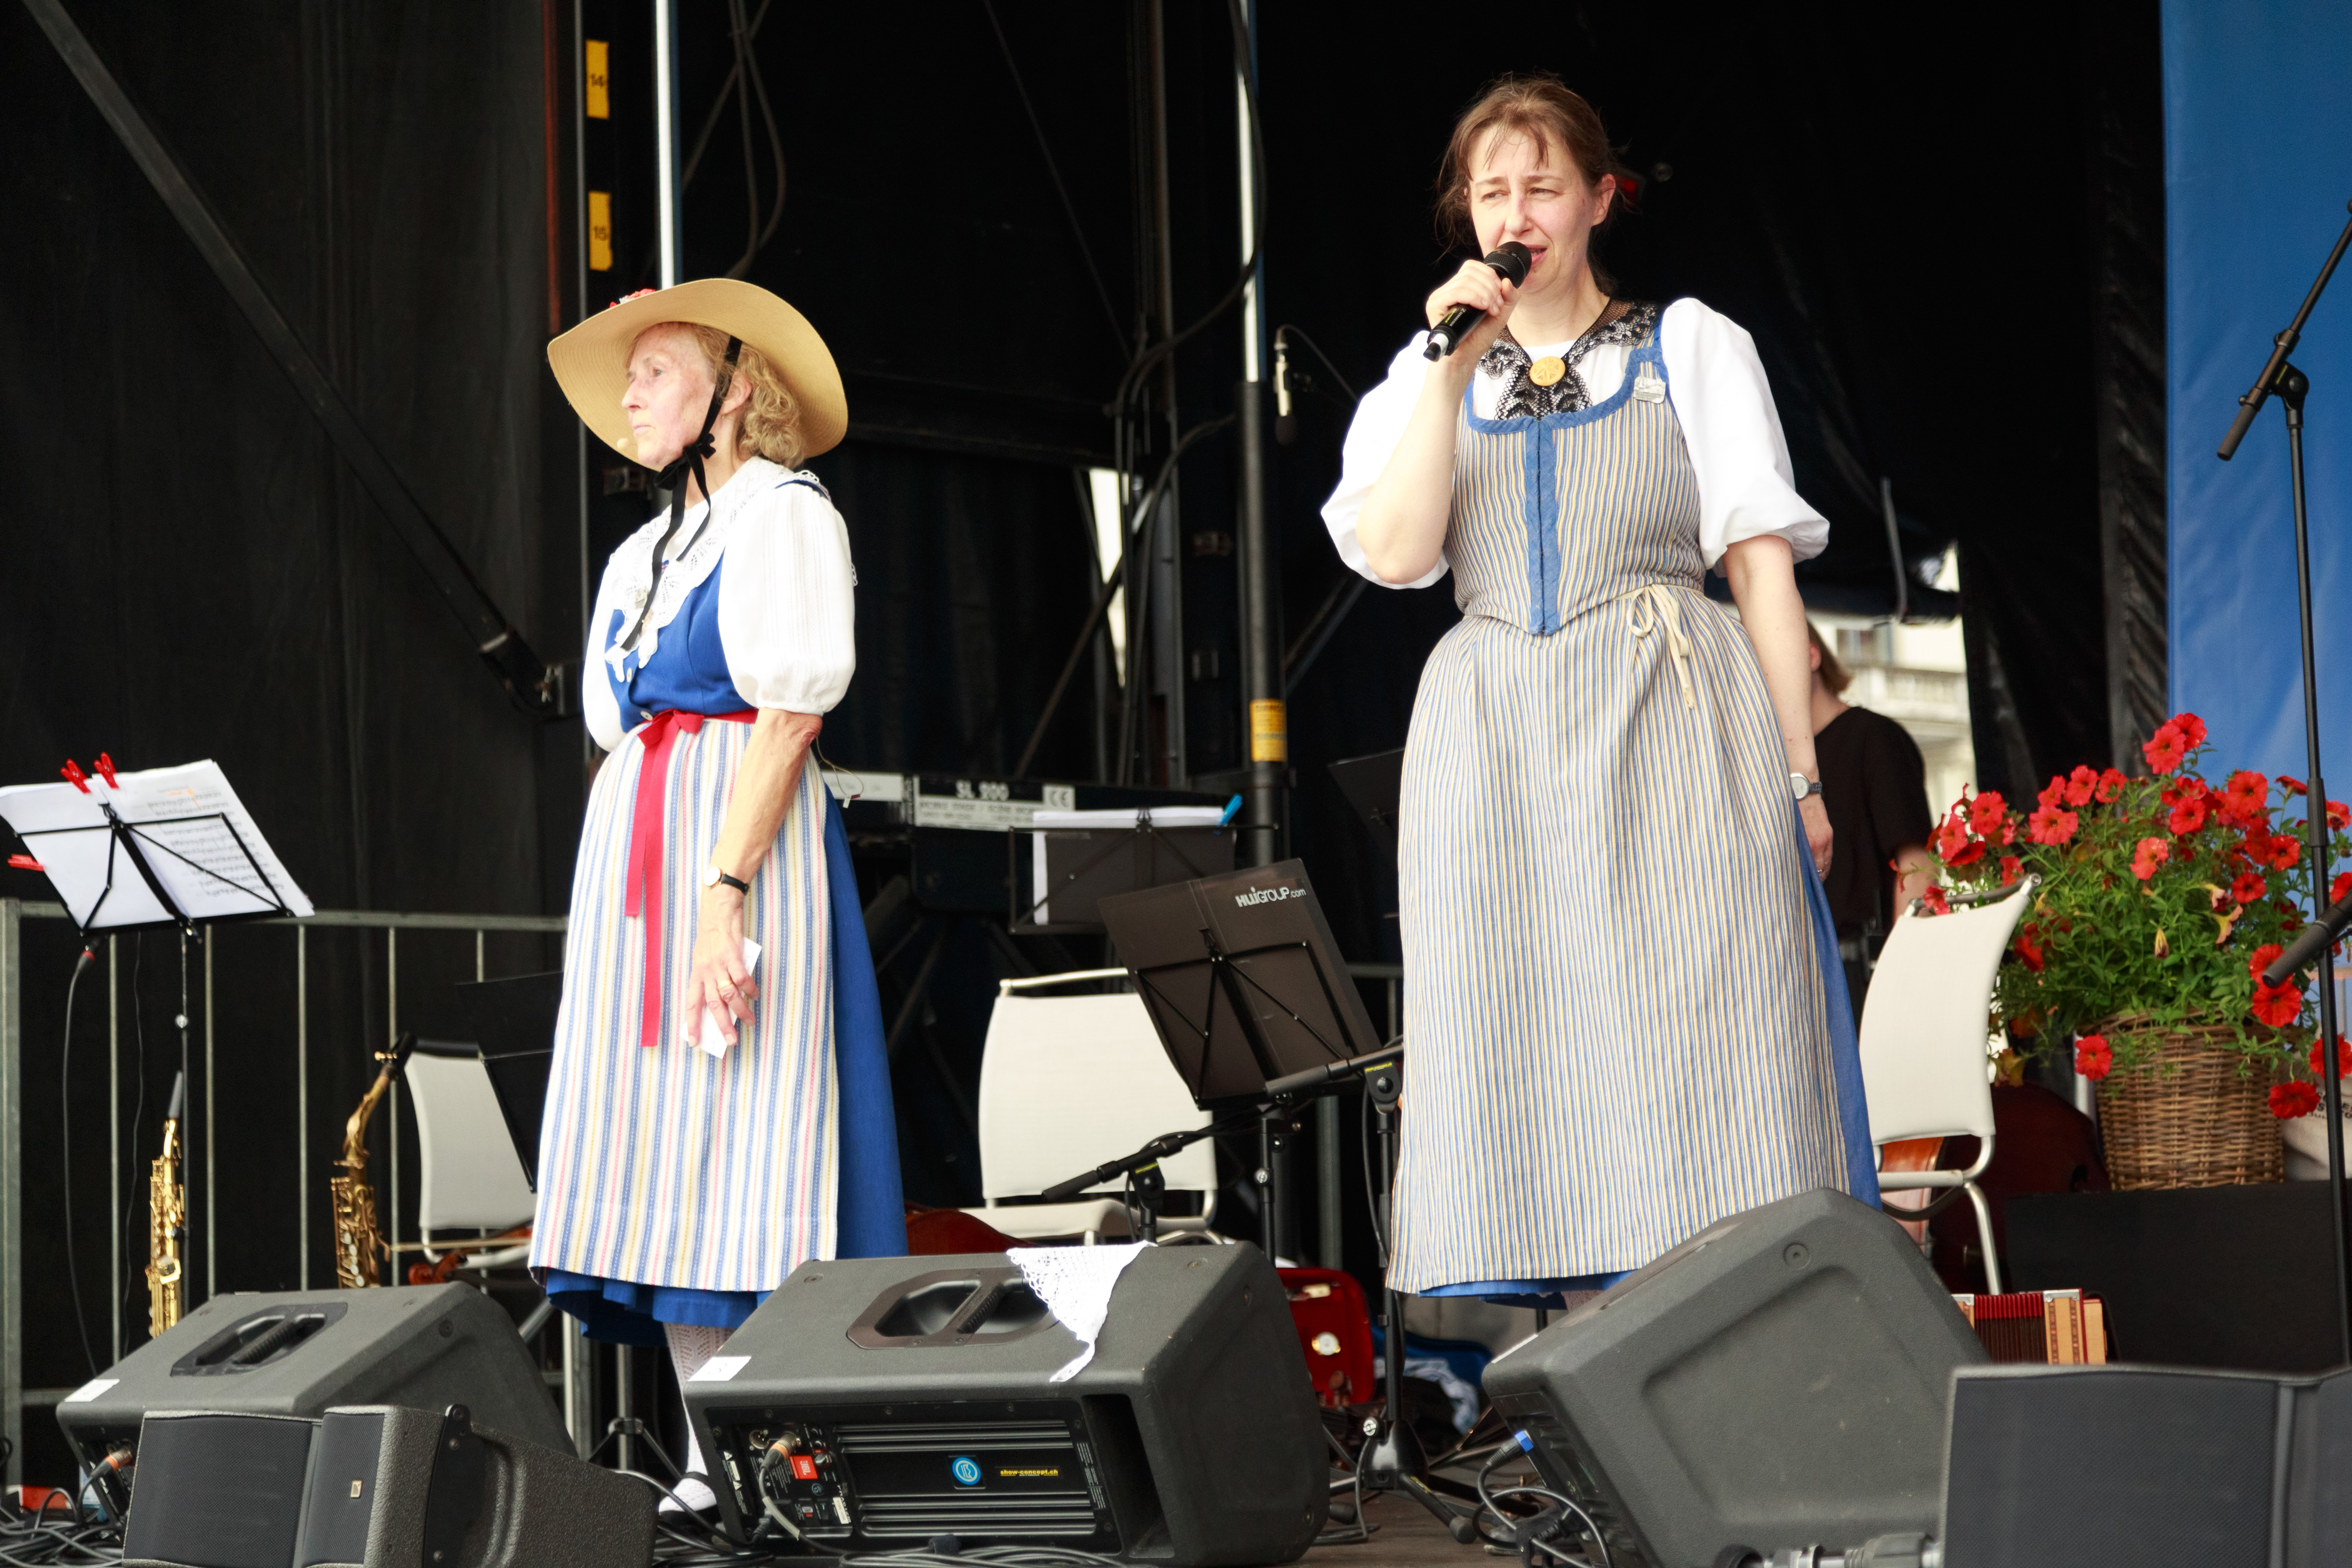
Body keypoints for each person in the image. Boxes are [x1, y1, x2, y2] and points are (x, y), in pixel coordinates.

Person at [1322, 73, 1876, 1305]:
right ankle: (1589, 1402)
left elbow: (1758, 566)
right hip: (1496, 732)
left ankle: (1730, 1369)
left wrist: (1801, 769)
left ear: (1599, 199)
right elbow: (1404, 554)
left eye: (1544, 186)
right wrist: (1446, 368)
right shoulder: (1427, 377)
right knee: (1527, 1040)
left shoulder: (1691, 342)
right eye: (1493, 190)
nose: (1516, 213)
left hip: (1666, 709)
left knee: (1700, 1027)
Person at [534, 279, 903, 1508]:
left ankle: (786, 1452)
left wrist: (722, 890)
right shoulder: (640, 554)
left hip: (740, 844)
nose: (631, 392)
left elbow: (789, 712)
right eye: (627, 375)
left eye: (657, 368)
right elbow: (616, 721)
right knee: (668, 1148)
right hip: (639, 848)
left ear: (735, 389)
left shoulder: (784, 515)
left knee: (750, 1133)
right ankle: (709, 1455)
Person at [1807, 621, 1935, 1011]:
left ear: (1812, 654)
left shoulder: (1872, 736)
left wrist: (1901, 977)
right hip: (1804, 979)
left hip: (1864, 971)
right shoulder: (1776, 768)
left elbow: (1916, 864)